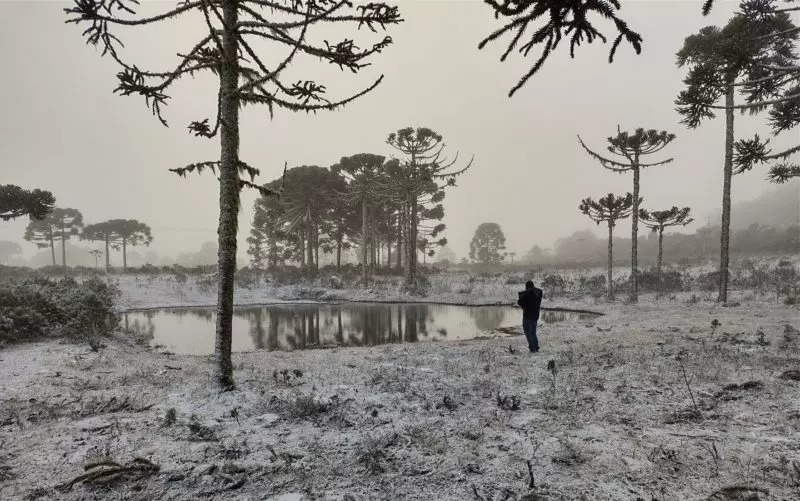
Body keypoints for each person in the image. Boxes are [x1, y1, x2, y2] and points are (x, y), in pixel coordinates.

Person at [517, 280, 543, 352]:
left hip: (527, 316)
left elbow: (519, 302)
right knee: (533, 332)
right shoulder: (539, 293)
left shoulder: (527, 294)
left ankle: (532, 348)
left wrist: (523, 294)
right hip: (535, 316)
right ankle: (536, 346)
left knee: (528, 333)